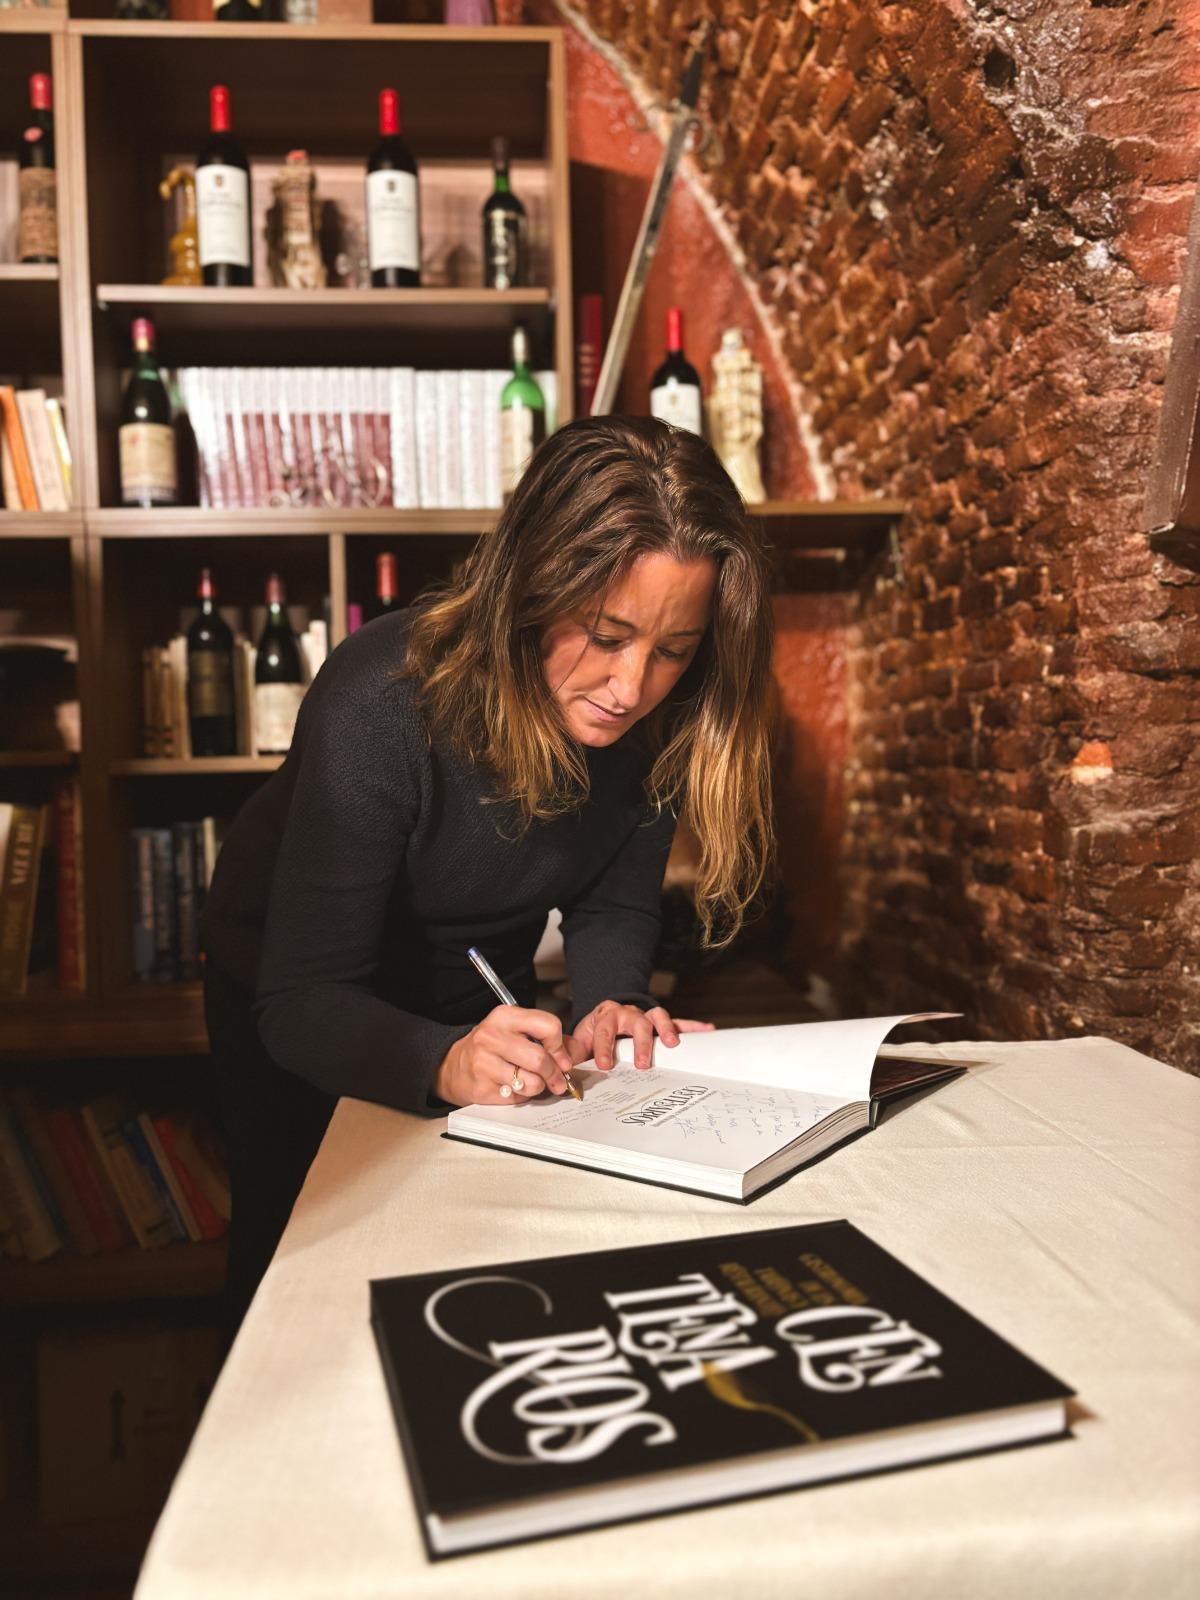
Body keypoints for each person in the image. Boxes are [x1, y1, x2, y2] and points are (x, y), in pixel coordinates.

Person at [200, 414, 776, 1339]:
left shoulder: (664, 716)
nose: (632, 688)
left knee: (470, 1255)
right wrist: (442, 1058)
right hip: (295, 995)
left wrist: (609, 1005)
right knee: (303, 1261)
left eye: (672, 649)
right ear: (530, 590)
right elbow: (303, 998)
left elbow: (612, 897)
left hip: (472, 975)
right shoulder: (380, 701)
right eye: (605, 632)